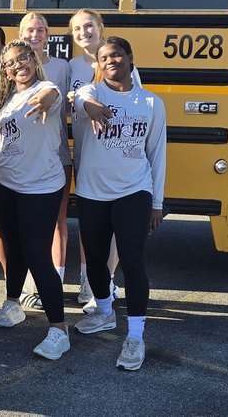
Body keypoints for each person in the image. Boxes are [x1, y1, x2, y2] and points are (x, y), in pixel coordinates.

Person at [71, 36, 166, 371]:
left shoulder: (151, 102)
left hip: (134, 191)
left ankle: (136, 336)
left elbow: (157, 154)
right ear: (98, 64)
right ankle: (105, 312)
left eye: (117, 55)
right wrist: (89, 105)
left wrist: (156, 202)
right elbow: (81, 95)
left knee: (132, 261)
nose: (111, 60)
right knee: (95, 262)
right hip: (92, 191)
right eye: (104, 57)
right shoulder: (93, 93)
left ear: (130, 58)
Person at [0, 40, 72, 359]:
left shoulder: (46, 87)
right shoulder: (7, 99)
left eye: (23, 58)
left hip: (40, 186)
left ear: (34, 60)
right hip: (5, 185)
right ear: (5, 71)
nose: (18, 65)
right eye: (10, 63)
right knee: (14, 246)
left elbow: (50, 96)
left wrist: (42, 100)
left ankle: (58, 330)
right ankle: (13, 304)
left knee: (37, 253)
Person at [67, 9, 140, 312]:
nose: (84, 33)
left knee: (111, 223)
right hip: (84, 150)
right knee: (91, 223)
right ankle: (89, 279)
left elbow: (136, 106)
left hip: (113, 154)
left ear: (100, 28)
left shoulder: (119, 63)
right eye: (77, 29)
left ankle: (105, 283)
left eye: (89, 26)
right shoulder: (73, 66)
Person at [17, 12, 73, 311]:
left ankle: (55, 282)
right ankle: (27, 283)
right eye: (29, 30)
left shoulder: (61, 67)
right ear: (21, 33)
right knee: (25, 224)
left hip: (56, 152)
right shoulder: (14, 68)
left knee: (57, 220)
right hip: (23, 156)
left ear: (48, 34)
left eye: (40, 29)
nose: (35, 34)